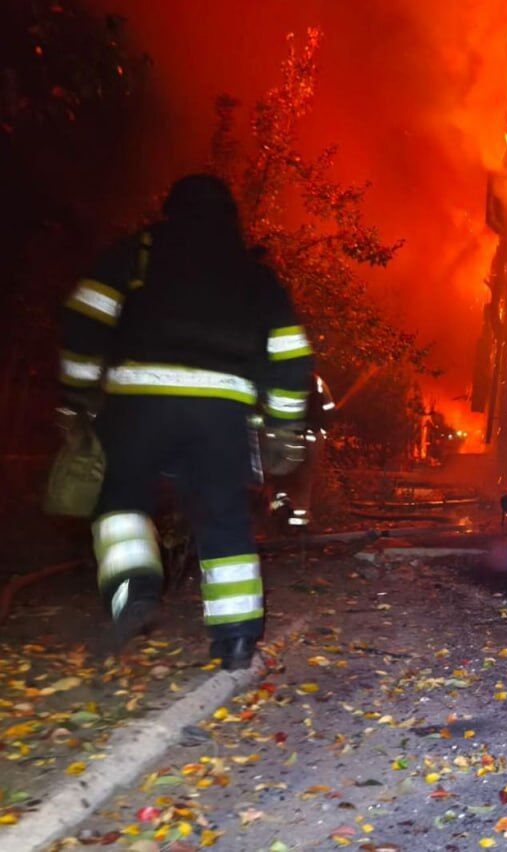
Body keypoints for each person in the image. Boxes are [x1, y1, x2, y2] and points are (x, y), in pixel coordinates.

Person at [58, 174, 314, 669]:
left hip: (138, 404)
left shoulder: (138, 254)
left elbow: (85, 317)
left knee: (120, 496)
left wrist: (80, 391)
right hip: (221, 413)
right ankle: (237, 638)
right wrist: (283, 424)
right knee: (224, 515)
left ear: (169, 209)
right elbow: (289, 353)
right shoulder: (252, 275)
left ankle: (133, 586)